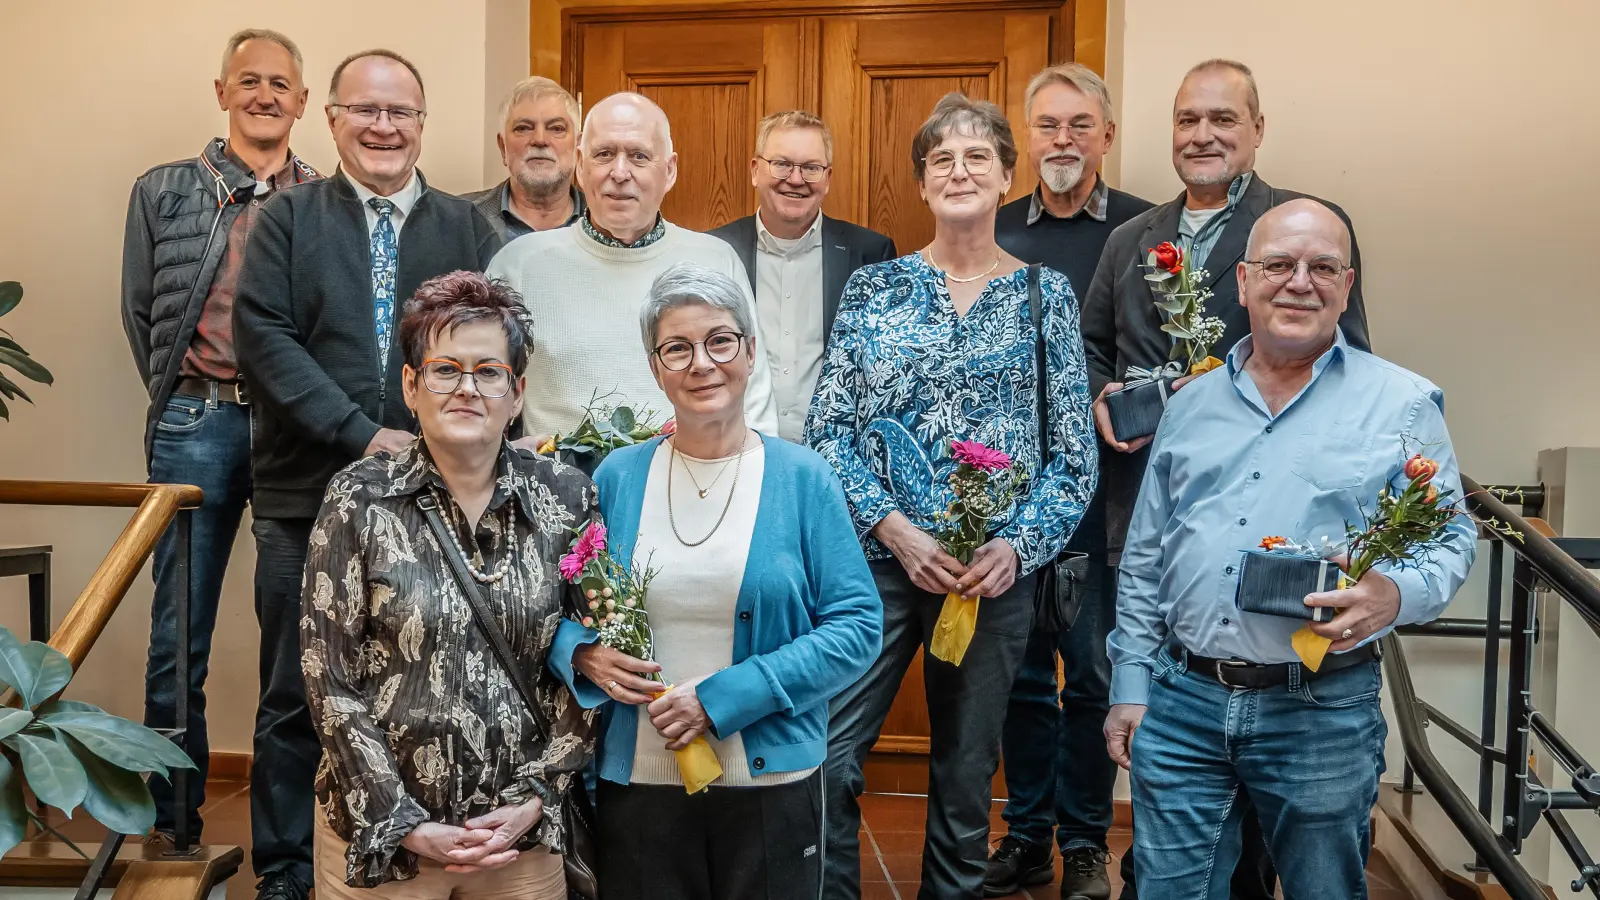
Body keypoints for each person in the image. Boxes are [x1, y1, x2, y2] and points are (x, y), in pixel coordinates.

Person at [1103, 199, 1473, 899]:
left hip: (1320, 711)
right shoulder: (1189, 405)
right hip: (1183, 703)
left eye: (1321, 266)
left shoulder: (1402, 404)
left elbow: (1451, 538)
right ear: (1243, 282)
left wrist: (1392, 593)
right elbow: (1149, 555)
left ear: (1347, 284)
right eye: (1278, 264)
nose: (1299, 281)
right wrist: (1131, 684)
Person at [1078, 58, 1372, 900]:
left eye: (1222, 119)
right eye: (1186, 120)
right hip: (1150, 509)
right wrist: (1106, 394)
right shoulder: (1130, 239)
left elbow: (1350, 361)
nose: (1202, 135)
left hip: (1279, 532)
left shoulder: (1300, 228)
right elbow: (1095, 343)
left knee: (1272, 780)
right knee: (1168, 748)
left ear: (1256, 130)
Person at [809, 93, 1097, 900]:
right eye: (942, 159)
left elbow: (1073, 458)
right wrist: (896, 530)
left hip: (990, 579)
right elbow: (827, 432)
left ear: (1008, 174)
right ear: (923, 183)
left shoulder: (1045, 296)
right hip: (878, 564)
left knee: (966, 780)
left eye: (978, 157)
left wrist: (1015, 548)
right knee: (828, 761)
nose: (960, 171)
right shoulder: (874, 289)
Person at [234, 49, 502, 900]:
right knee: (295, 692)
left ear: (423, 124)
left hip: (434, 504)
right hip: (302, 494)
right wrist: (362, 434)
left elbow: (494, 347)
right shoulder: (287, 218)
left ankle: (409, 846)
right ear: (334, 119)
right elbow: (264, 338)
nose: (384, 127)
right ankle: (284, 870)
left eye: (402, 113)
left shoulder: (467, 229)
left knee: (418, 684)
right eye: (366, 110)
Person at [546, 263, 881, 900]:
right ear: (655, 366)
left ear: (751, 352)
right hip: (638, 783)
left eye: (721, 341)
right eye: (678, 347)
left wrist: (726, 697)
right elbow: (554, 604)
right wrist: (581, 654)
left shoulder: (804, 478)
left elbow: (859, 627)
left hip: (770, 788)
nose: (702, 363)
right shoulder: (617, 476)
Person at [302, 271, 595, 899]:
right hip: (381, 841)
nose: (467, 388)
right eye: (445, 370)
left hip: (516, 840)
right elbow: (328, 676)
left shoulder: (565, 497)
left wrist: (537, 800)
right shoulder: (358, 498)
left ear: (517, 393)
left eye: (489, 372)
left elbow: (596, 661)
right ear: (412, 386)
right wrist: (403, 823)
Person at [120, 26, 320, 852]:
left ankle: (291, 848)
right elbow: (141, 317)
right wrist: (189, 400)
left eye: (281, 84)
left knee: (299, 639)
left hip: (293, 433)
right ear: (222, 92)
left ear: (304, 103)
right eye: (250, 81)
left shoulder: (323, 197)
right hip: (194, 423)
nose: (265, 94)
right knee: (177, 639)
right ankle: (172, 831)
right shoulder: (163, 189)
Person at [987, 63, 1154, 900]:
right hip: (1007, 499)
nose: (1062, 140)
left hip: (1102, 501)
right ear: (1027, 137)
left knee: (1090, 676)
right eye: (1048, 125)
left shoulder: (1142, 233)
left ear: (1107, 136)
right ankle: (1025, 836)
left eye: (1080, 125)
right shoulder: (993, 230)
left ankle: (1088, 842)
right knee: (1019, 675)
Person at [487, 92, 777, 442]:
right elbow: (482, 388)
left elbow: (754, 395)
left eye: (639, 156)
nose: (619, 173)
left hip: (691, 483)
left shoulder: (715, 261)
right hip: (558, 487)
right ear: (580, 165)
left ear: (669, 171)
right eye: (604, 154)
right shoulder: (519, 265)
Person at [709, 111, 896, 442]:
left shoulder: (869, 256)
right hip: (733, 451)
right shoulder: (715, 252)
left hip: (834, 458)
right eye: (781, 164)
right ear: (755, 170)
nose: (795, 179)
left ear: (827, 177)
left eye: (811, 168)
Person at [465, 76, 585, 241]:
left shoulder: (607, 224)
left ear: (578, 148)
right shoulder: (459, 220)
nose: (540, 140)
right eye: (523, 128)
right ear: (503, 148)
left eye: (556, 128)